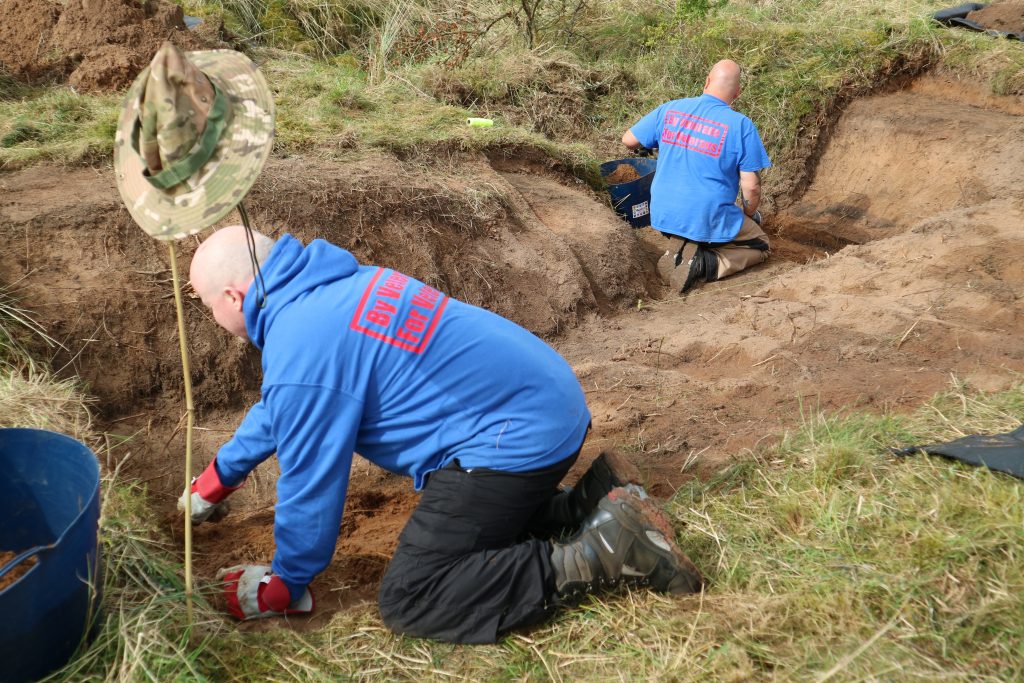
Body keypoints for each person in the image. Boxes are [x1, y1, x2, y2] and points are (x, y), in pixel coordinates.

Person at [182, 225, 705, 643]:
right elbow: (284, 407)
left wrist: (285, 585)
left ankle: (609, 548)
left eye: (209, 308)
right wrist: (216, 481)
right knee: (472, 522)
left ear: (233, 295)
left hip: (512, 439)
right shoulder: (331, 288)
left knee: (415, 596)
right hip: (547, 407)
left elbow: (309, 483)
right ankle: (586, 503)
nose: (215, 318)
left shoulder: (301, 342)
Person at [622, 59, 772, 293]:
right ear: (738, 93)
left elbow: (628, 140)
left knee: (706, 222)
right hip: (705, 216)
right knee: (761, 245)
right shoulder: (741, 125)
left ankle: (687, 241)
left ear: (706, 82)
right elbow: (751, 188)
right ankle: (707, 263)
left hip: (663, 215)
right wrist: (750, 214)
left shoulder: (670, 108)